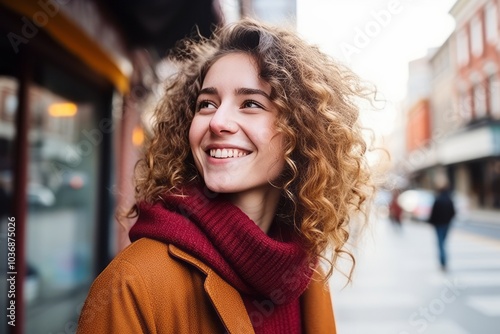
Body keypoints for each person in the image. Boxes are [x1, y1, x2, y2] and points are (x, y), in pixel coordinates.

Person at [77, 18, 373, 334]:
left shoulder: (304, 273)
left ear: (300, 132)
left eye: (250, 103)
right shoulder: (131, 284)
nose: (218, 122)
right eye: (206, 104)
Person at [428, 182, 456, 271]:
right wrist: (448, 220)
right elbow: (453, 213)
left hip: (439, 225)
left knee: (440, 244)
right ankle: (443, 261)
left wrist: (432, 222)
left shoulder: (438, 199)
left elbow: (433, 214)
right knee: (443, 242)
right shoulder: (449, 200)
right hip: (446, 224)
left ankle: (443, 261)